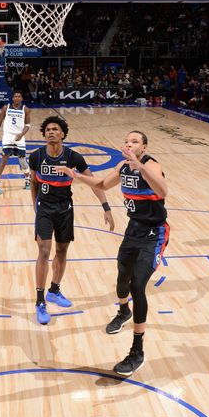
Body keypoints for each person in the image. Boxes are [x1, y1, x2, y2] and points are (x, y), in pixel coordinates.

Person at [57, 131, 169, 376]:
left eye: (135, 142)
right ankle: (123, 311)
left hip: (154, 234)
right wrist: (75, 176)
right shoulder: (122, 167)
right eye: (126, 141)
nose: (129, 144)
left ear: (144, 147)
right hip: (133, 230)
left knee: (138, 285)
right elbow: (101, 184)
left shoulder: (151, 164)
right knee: (122, 279)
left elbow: (162, 192)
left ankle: (137, 350)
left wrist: (139, 164)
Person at [29, 116, 114, 325]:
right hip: (45, 210)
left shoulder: (74, 157)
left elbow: (95, 183)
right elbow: (33, 182)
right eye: (47, 129)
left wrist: (106, 207)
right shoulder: (36, 156)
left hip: (65, 209)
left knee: (62, 251)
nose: (51, 132)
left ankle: (54, 290)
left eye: (55, 129)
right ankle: (40, 301)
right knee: (44, 251)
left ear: (63, 134)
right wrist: (35, 207)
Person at [0, 90, 31, 194]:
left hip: (20, 137)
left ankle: (27, 180)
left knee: (22, 160)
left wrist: (21, 135)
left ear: (21, 99)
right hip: (8, 137)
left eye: (19, 96)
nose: (17, 98)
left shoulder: (25, 109)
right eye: (15, 96)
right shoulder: (6, 108)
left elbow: (27, 126)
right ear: (12, 98)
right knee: (4, 160)